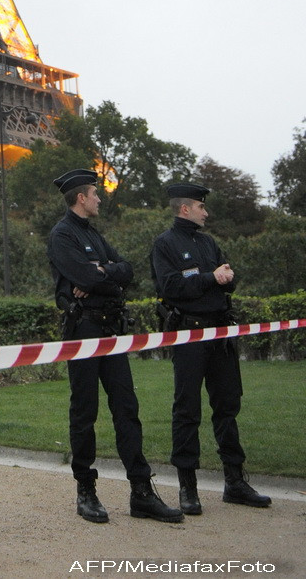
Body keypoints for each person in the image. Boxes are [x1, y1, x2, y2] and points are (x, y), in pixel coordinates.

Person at [47, 169, 182, 525]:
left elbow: (128, 271)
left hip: (110, 331)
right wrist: (103, 274)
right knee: (84, 412)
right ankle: (85, 491)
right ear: (81, 198)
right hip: (84, 331)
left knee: (127, 409)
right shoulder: (62, 235)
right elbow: (91, 277)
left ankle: (141, 492)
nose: (99, 199)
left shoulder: (92, 235)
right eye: (95, 193)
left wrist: (101, 271)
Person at [151, 181, 272, 516]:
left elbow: (229, 277)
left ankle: (235, 481)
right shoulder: (165, 244)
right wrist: (209, 278)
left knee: (228, 407)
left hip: (220, 333)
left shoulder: (208, 242)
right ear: (185, 208)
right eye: (202, 206)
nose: (207, 212)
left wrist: (224, 277)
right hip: (189, 335)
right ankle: (187, 488)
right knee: (187, 410)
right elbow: (171, 287)